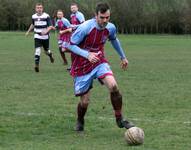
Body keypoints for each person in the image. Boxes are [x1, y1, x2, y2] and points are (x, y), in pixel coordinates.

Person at [68, 2, 134, 132]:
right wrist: (87, 55)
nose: (105, 20)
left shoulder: (110, 27)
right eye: (102, 17)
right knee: (85, 102)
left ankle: (119, 118)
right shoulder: (85, 27)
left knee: (113, 86)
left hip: (99, 61)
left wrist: (123, 57)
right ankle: (80, 120)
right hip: (81, 65)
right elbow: (70, 45)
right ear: (96, 16)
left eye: (107, 17)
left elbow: (114, 39)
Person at [25, 3, 54, 72]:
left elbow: (50, 26)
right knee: (37, 50)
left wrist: (46, 31)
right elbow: (33, 24)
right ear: (35, 9)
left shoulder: (46, 16)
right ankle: (36, 65)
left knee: (46, 51)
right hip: (37, 36)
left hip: (45, 37)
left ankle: (50, 55)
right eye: (38, 8)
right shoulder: (33, 16)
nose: (39, 9)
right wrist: (28, 31)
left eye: (40, 8)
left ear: (42, 9)